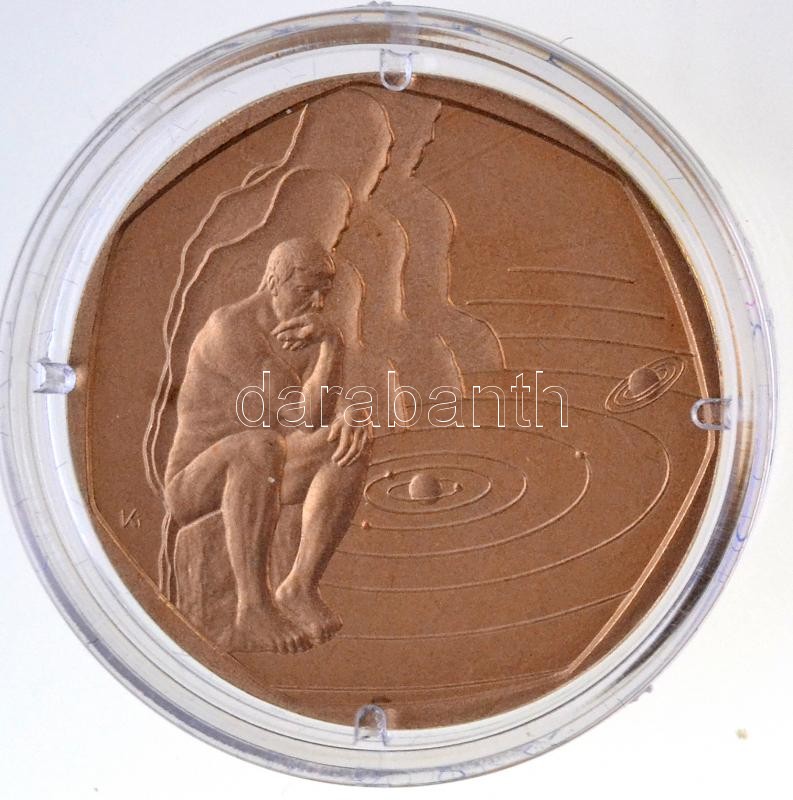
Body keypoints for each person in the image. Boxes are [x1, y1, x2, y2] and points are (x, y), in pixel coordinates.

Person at [164, 237, 371, 654]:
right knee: (260, 445)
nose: (317, 303)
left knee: (349, 441)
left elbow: (318, 411)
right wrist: (332, 346)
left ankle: (299, 586)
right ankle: (253, 606)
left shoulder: (300, 330)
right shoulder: (230, 329)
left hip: (266, 467)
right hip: (194, 485)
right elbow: (303, 415)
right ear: (274, 281)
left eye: (324, 293)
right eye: (305, 290)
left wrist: (347, 408)